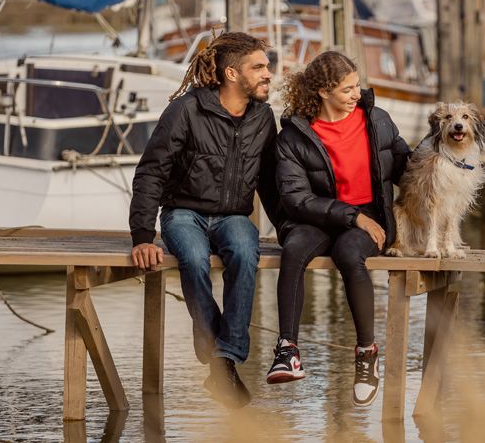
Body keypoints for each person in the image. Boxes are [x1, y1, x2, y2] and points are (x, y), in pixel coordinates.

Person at [128, 32, 279, 409]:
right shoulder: (186, 110)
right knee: (193, 259)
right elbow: (151, 172)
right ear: (232, 73)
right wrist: (143, 235)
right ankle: (218, 359)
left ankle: (225, 357)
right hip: (184, 213)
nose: (268, 74)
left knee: (246, 252)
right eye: (258, 67)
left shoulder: (263, 117)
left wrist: (289, 231)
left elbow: (271, 183)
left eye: (267, 66)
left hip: (233, 217)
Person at [266, 50, 409, 407]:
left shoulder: (378, 121)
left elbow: (409, 164)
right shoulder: (294, 137)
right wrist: (351, 216)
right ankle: (288, 350)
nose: (356, 94)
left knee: (348, 253)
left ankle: (366, 353)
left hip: (371, 219)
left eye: (357, 86)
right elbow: (296, 199)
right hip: (315, 218)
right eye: (347, 89)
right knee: (294, 249)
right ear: (323, 92)